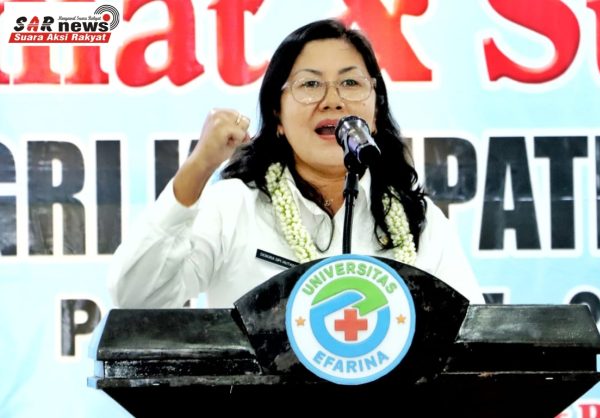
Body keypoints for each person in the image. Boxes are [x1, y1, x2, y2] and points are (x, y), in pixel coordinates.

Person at [108, 19, 484, 308]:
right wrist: (199, 166)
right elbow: (137, 298)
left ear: (375, 109)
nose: (333, 100)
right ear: (277, 115)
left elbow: (472, 338)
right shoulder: (235, 207)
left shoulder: (419, 221)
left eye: (351, 84)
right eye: (310, 84)